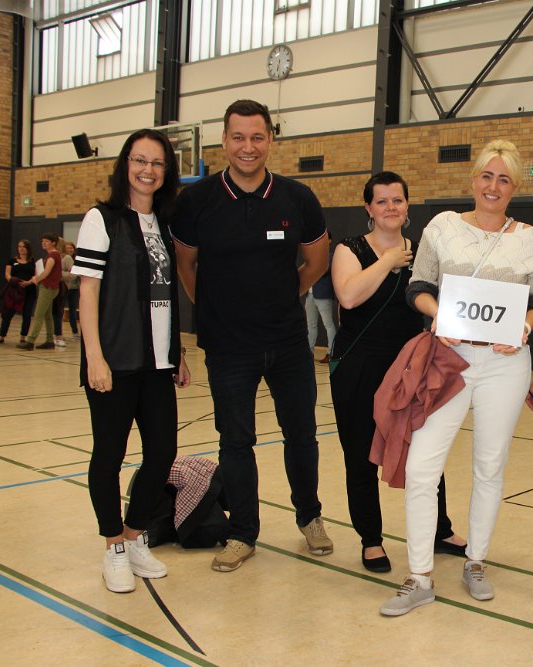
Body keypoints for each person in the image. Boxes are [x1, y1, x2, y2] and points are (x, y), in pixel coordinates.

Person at [379, 140, 533, 616]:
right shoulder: (443, 227)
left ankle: (476, 561)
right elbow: (417, 286)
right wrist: (438, 315)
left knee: (489, 466)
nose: (493, 186)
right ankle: (419, 575)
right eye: (487, 176)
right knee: (422, 467)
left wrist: (524, 328)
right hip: (448, 360)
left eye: (504, 179)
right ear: (473, 180)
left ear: (515, 187)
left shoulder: (531, 239)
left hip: (505, 364)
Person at [172, 99, 333, 573]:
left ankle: (310, 517)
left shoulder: (297, 197)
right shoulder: (196, 200)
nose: (248, 146)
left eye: (257, 137)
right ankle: (243, 533)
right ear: (224, 141)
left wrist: (286, 294)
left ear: (270, 141)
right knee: (235, 441)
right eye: (238, 137)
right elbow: (186, 265)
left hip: (287, 343)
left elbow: (317, 260)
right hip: (228, 348)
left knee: (301, 434)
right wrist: (216, 310)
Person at [71, 128, 192, 593]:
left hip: (158, 364)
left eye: (157, 163)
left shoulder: (164, 223)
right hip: (115, 361)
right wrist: (94, 358)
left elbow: (166, 296)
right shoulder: (101, 219)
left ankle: (134, 533)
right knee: (109, 454)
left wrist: (177, 352)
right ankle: (113, 547)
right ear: (125, 165)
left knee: (162, 454)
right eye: (140, 160)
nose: (148, 170)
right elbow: (87, 292)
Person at [331, 171, 467, 573]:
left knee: (427, 450)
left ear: (407, 206)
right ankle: (371, 539)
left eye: (398, 200)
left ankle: (439, 529)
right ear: (369, 208)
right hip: (358, 365)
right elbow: (349, 297)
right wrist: (389, 260)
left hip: (411, 367)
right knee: (360, 455)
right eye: (382, 201)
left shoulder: (424, 250)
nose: (390, 207)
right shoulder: (350, 248)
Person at [18, 233, 62, 350]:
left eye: (46, 241)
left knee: (38, 315)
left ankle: (30, 341)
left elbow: (46, 273)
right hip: (51, 288)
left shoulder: (52, 256)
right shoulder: (54, 254)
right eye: (42, 241)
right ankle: (49, 341)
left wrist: (35, 280)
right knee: (47, 316)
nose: (43, 243)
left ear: (53, 242)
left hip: (47, 288)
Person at [0, 240, 36, 345]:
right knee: (7, 314)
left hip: (29, 291)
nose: (21, 249)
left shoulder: (33, 261)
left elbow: (36, 276)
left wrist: (28, 283)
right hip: (14, 291)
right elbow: (7, 274)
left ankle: (23, 337)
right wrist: (13, 281)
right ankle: (1, 336)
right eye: (19, 246)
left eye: (24, 247)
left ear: (28, 248)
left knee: (27, 315)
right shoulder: (12, 260)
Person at [306, 266, 336, 363]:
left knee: (328, 325)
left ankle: (330, 353)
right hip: (310, 294)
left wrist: (311, 266)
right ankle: (309, 353)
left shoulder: (329, 257)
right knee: (310, 325)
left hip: (323, 294)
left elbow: (323, 269)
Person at [62, 241, 80, 336]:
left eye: (71, 248)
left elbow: (77, 274)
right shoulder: (63, 259)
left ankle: (75, 331)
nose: (69, 250)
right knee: (60, 309)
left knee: (72, 310)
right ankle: (58, 332)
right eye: (67, 248)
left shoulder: (77, 260)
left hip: (75, 288)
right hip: (64, 287)